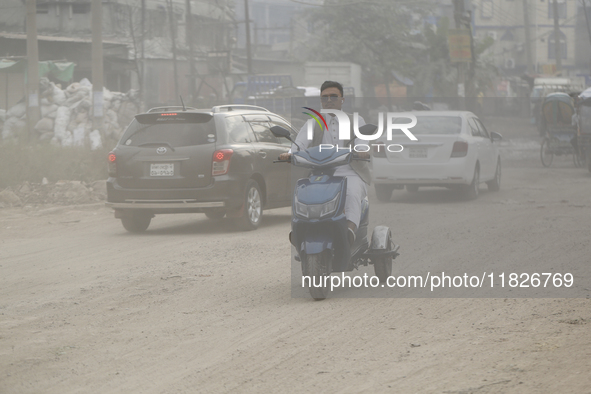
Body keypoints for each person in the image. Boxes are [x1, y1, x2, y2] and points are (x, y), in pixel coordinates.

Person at [279, 81, 370, 245]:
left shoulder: (357, 120)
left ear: (342, 99)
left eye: (333, 96)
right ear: (321, 101)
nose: (329, 100)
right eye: (325, 97)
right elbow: (299, 144)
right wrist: (290, 154)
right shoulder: (314, 122)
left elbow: (362, 142)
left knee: (352, 193)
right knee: (303, 193)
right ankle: (301, 229)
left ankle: (349, 231)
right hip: (320, 173)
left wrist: (362, 151)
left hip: (351, 171)